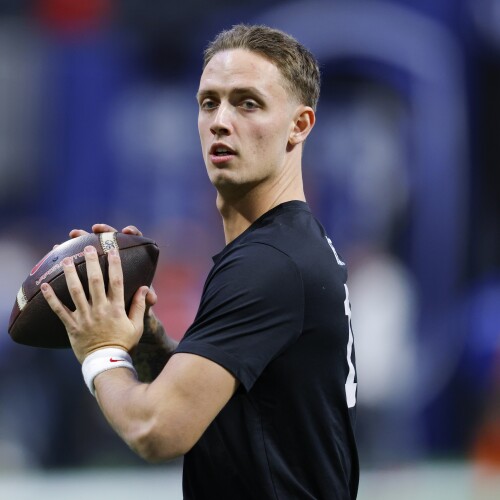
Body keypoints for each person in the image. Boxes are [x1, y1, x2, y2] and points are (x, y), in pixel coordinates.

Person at [42, 24, 359, 499]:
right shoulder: (283, 247)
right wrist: (146, 342)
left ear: (299, 125)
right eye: (209, 102)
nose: (220, 121)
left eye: (248, 103)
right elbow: (228, 407)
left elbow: (156, 429)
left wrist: (101, 349)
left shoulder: (268, 263)